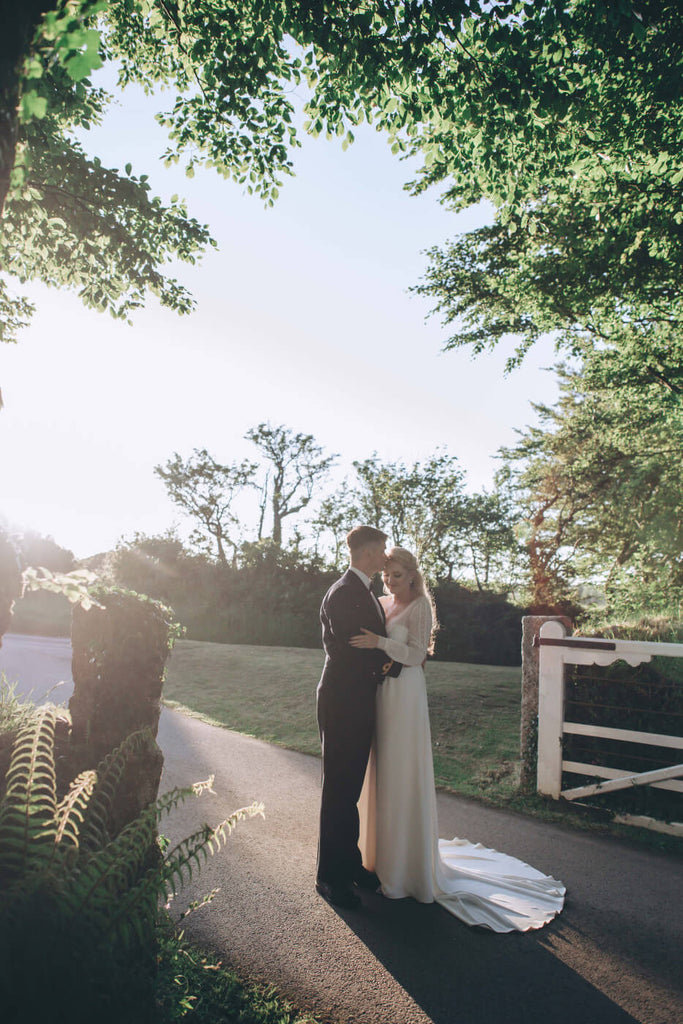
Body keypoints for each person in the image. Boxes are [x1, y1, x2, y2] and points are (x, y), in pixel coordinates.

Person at [351, 547, 566, 932]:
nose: (390, 581)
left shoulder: (420, 606)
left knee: (402, 766)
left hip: (406, 694)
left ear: (412, 576)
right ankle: (377, 856)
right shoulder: (381, 602)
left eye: (397, 575)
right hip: (381, 693)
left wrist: (380, 644)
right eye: (387, 574)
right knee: (381, 766)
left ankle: (406, 865)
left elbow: (417, 655)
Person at [316, 525, 403, 909]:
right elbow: (353, 651)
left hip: (357, 700)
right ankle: (330, 878)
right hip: (342, 702)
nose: (386, 555)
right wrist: (393, 666)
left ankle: (350, 865)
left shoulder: (363, 590)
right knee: (339, 789)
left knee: (349, 788)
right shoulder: (344, 593)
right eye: (382, 549)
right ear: (368, 553)